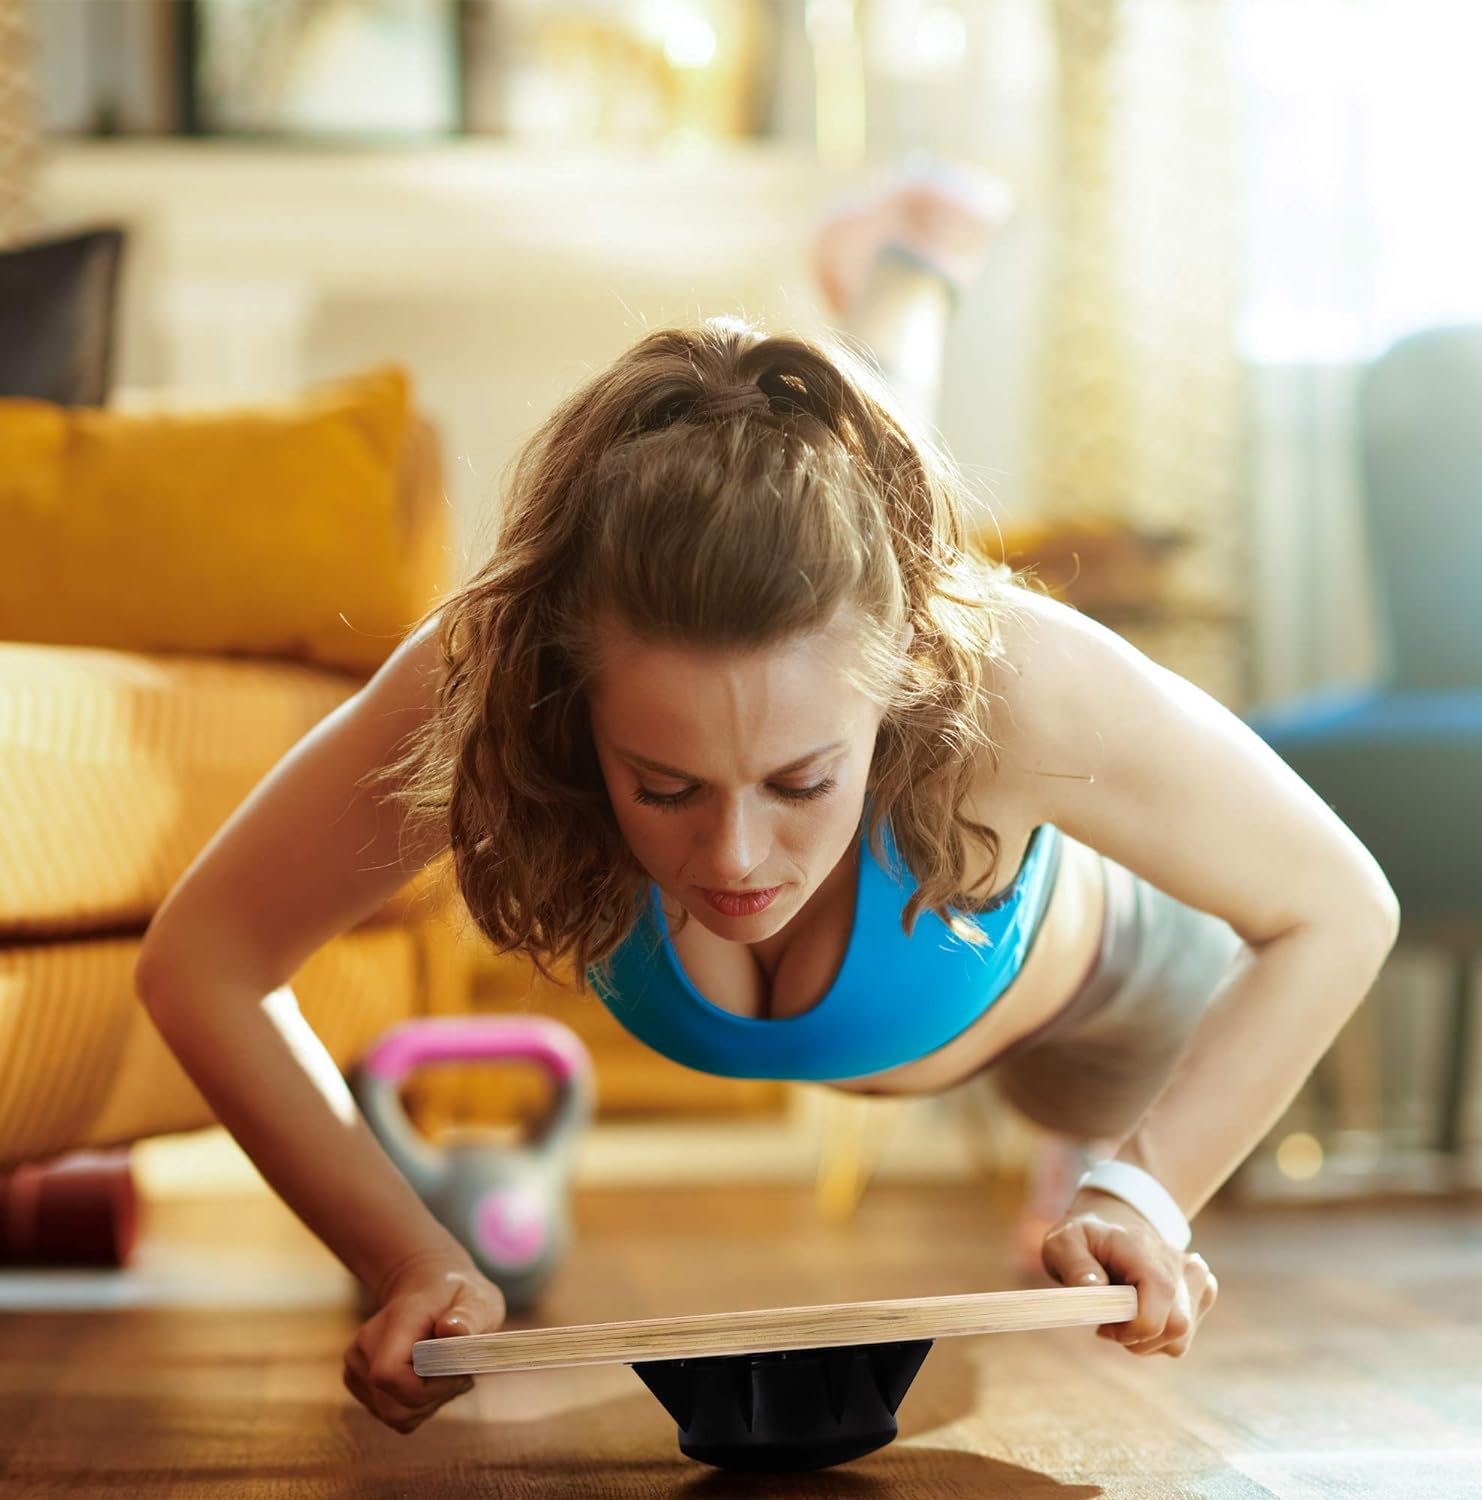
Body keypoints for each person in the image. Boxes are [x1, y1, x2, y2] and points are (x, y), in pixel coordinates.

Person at [134, 159, 1400, 1436]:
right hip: (894, 864)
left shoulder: (1009, 674)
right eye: (663, 785)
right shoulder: (499, 674)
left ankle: (905, 283)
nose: (736, 854)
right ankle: (904, 275)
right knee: (836, 526)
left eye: (802, 782)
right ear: (574, 706)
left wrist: (1146, 1192)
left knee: (892, 546)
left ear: (902, 692)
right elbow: (204, 961)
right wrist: (405, 1255)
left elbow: (1339, 909)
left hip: (1103, 1009)